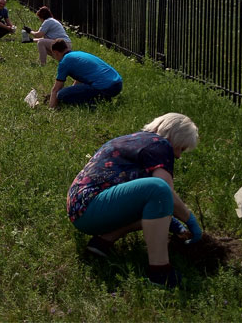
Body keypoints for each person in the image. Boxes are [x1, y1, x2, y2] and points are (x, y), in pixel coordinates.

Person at [67, 113, 203, 288]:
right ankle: (160, 273)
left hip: (81, 208)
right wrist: (190, 220)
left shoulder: (136, 141)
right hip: (92, 206)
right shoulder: (161, 144)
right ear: (173, 137)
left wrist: (173, 223)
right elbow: (165, 190)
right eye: (181, 148)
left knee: (153, 198)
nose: (178, 156)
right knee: (159, 189)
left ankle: (102, 242)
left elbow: (137, 196)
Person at [48, 40, 122, 108]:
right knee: (68, 92)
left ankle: (96, 104)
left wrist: (51, 108)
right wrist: (72, 90)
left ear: (56, 53)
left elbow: (56, 88)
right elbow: (79, 80)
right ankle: (104, 98)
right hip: (117, 84)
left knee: (61, 95)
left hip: (104, 87)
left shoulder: (64, 62)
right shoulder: (78, 54)